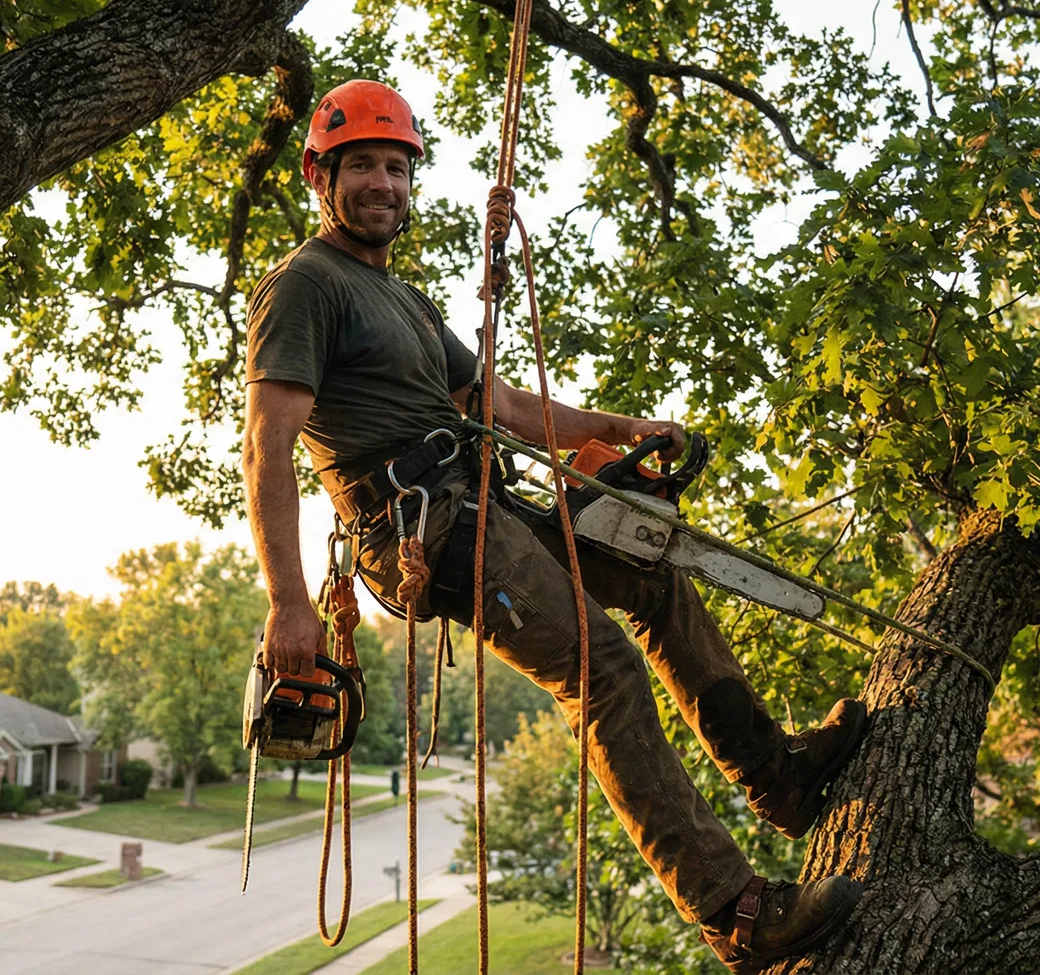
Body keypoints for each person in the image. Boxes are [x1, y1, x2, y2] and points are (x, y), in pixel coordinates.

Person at [242, 79, 869, 972]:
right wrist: (288, 601)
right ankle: (734, 911)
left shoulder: (404, 298)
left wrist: (617, 430)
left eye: (396, 166)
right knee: (601, 666)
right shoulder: (305, 286)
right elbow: (267, 445)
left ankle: (783, 779)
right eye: (363, 167)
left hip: (479, 499)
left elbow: (494, 401)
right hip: (420, 529)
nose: (383, 184)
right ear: (317, 173)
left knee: (653, 575)